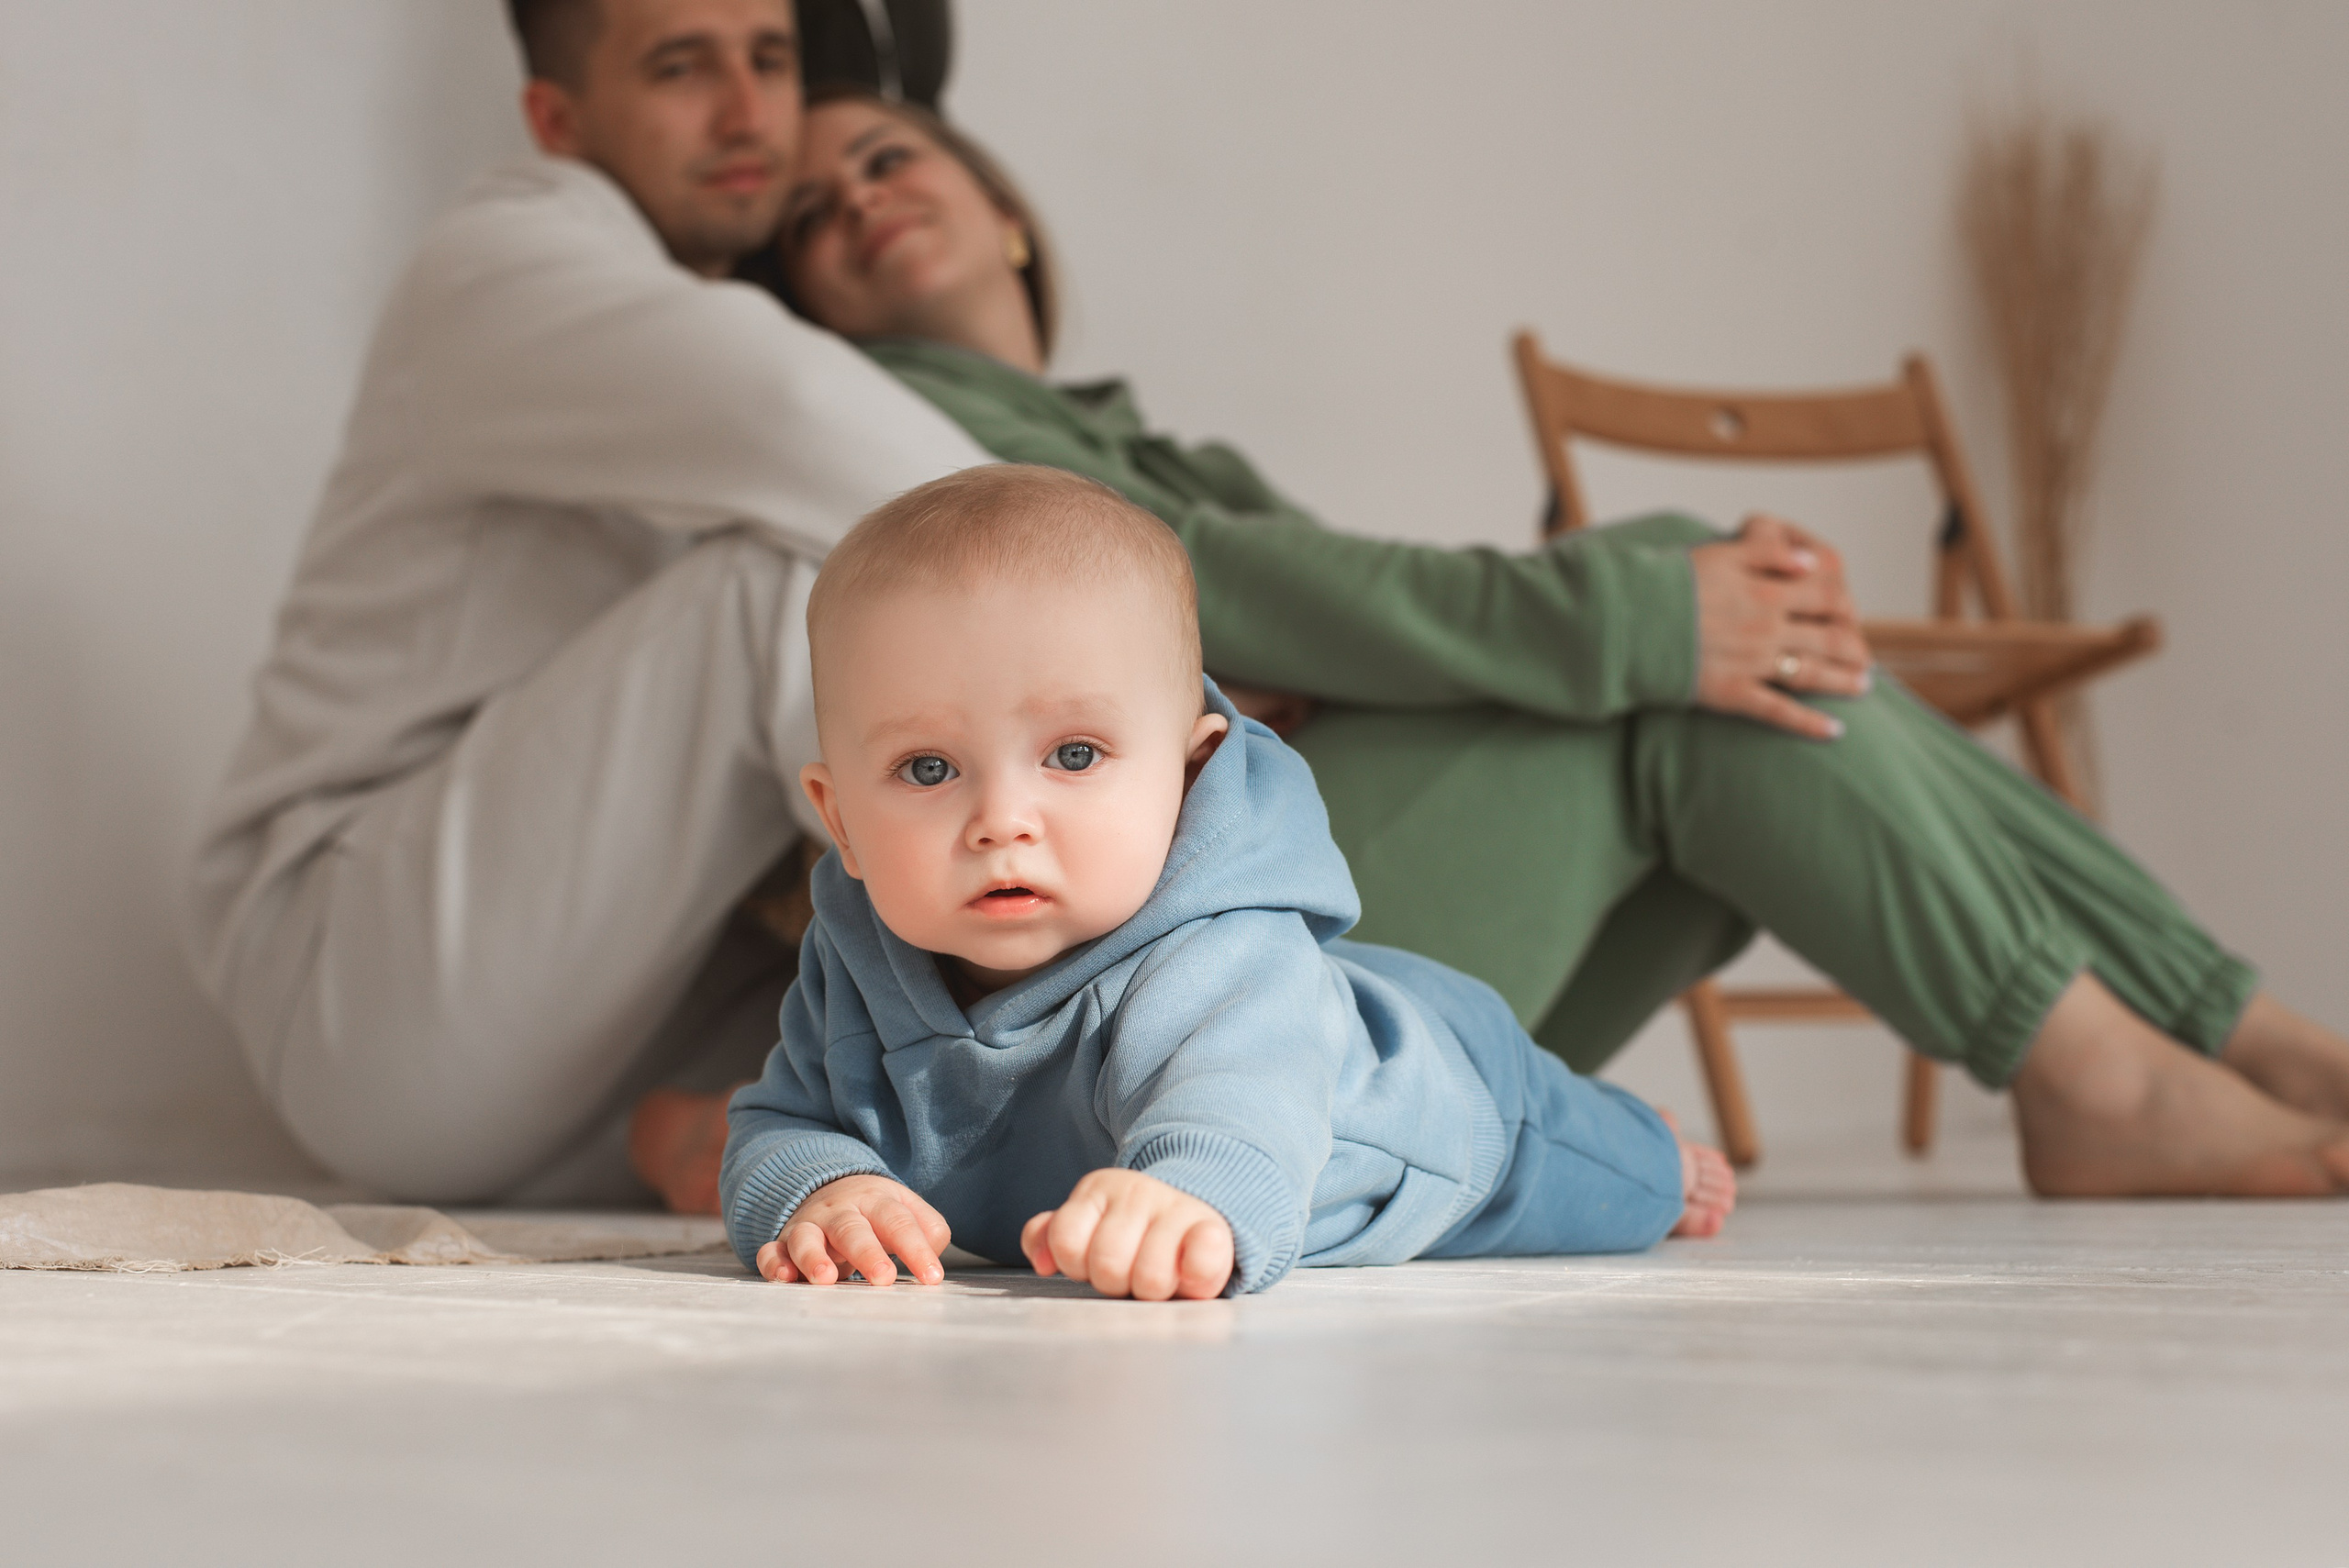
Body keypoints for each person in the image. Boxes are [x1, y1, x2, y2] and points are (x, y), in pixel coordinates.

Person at [731, 85, 2349, 1202]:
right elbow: (1245, 589)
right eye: (811, 212)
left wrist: (1568, 625)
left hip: (1327, 969)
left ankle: (2221, 1033)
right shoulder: (909, 432)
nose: (858, 201)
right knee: (1685, 635)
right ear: (798, 294)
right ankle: (2150, 1057)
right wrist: (1639, 607)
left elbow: (1320, 628)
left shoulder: (1119, 432)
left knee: (1722, 677)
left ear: (1004, 209)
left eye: (885, 157)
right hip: (1199, 1007)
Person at [184, 0, 996, 1203]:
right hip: (357, 974)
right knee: (789, 603)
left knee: (856, 903)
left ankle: (704, 1129)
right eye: (681, 66)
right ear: (557, 119)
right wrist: (1140, 663)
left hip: (585, 1030)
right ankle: (1135, 1009)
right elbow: (797, 418)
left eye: (768, 59)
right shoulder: (506, 257)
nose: (744, 110)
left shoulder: (724, 311)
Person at [720, 465, 1737, 1299]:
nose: (1001, 820)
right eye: (928, 769)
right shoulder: (854, 961)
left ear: (1191, 772)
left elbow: (1237, 1107)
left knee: (1588, 1167)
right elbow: (778, 1121)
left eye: (1073, 754)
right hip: (1311, 1029)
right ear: (841, 818)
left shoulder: (1224, 956)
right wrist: (827, 1185)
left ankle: (1653, 1149)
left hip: (1440, 1102)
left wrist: (1186, 1195)